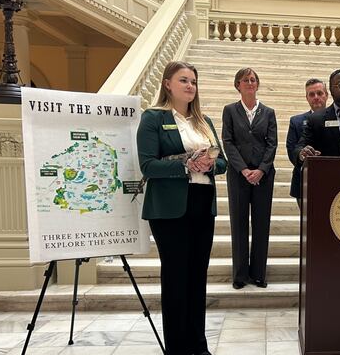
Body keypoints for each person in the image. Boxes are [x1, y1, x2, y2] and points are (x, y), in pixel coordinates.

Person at [136, 61, 226, 355]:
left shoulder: (205, 122)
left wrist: (210, 163)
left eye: (193, 82)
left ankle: (198, 346)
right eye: (184, 80)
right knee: (176, 278)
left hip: (202, 203)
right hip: (170, 208)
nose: (190, 86)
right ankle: (176, 348)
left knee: (197, 277)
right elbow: (148, 165)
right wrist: (186, 164)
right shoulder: (153, 118)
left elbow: (223, 162)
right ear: (167, 84)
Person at [222, 68, 278, 289]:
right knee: (239, 223)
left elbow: (272, 143)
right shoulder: (230, 110)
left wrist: (261, 170)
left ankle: (258, 274)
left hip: (263, 176)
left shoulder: (268, 112)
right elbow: (228, 141)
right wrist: (244, 170)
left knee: (261, 224)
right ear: (238, 85)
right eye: (245, 80)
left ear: (258, 84)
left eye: (253, 79)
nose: (250, 83)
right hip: (238, 175)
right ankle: (240, 275)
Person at [286, 78, 329, 209]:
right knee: (307, 226)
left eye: (319, 93)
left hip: (330, 179)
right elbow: (291, 149)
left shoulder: (338, 118)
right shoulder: (296, 121)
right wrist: (301, 155)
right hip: (303, 181)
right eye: (311, 94)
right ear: (307, 98)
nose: (316, 97)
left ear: (327, 95)